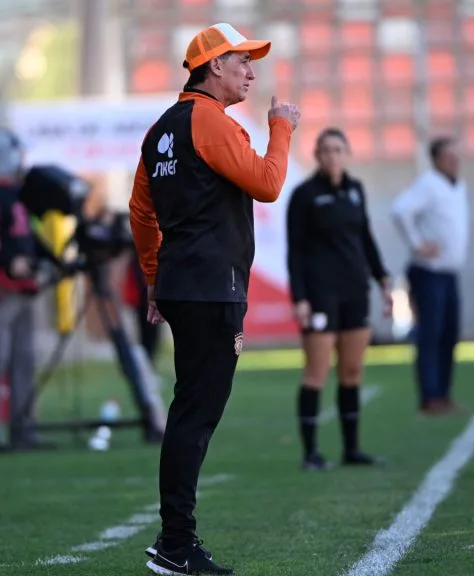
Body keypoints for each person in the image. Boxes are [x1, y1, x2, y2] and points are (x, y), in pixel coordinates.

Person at [129, 22, 300, 576]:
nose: (250, 71)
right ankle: (175, 542)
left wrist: (154, 278)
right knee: (195, 415)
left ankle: (175, 539)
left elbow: (141, 212)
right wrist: (281, 128)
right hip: (211, 287)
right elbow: (268, 184)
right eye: (242, 60)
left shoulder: (160, 129)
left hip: (184, 285)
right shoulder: (211, 122)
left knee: (190, 410)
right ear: (214, 66)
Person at [287, 127, 391, 469]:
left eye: (337, 149)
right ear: (317, 155)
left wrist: (382, 279)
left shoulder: (356, 190)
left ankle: (352, 449)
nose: (332, 155)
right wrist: (300, 297)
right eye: (326, 150)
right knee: (316, 372)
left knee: (351, 370)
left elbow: (365, 238)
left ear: (347, 154)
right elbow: (295, 251)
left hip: (355, 290)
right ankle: (310, 453)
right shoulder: (304, 195)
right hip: (320, 294)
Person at [391, 137, 468, 414]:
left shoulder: (458, 185)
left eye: (456, 155)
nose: (454, 161)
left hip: (448, 272)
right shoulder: (428, 184)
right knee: (431, 334)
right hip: (428, 271)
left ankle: (443, 393)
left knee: (449, 334)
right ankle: (429, 396)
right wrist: (417, 244)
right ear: (436, 159)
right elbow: (400, 211)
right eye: (449, 156)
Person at [0, 129, 43, 451]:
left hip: (23, 289)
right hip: (4, 289)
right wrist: (9, 261)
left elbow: (29, 237)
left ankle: (23, 426)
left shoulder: (18, 195)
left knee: (24, 359)